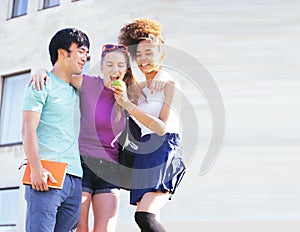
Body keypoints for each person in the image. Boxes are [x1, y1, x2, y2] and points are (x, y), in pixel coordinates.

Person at [29, 43, 143, 232]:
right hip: (81, 165)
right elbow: (59, 74)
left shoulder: (131, 96)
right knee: (80, 228)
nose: (115, 70)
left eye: (120, 65)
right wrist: (42, 72)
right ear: (102, 67)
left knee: (105, 229)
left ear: (126, 69)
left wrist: (125, 101)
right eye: (110, 65)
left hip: (110, 169)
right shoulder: (88, 83)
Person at [116, 18, 186, 232]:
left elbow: (161, 127)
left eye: (149, 53)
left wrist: (127, 104)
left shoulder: (169, 83)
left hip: (164, 147)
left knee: (145, 216)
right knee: (143, 221)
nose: (143, 59)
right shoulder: (137, 89)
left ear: (161, 54)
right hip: (144, 152)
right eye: (138, 54)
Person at [22, 28, 90, 232]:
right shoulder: (41, 84)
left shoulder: (79, 91)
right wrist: (36, 168)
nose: (85, 58)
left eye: (87, 54)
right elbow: (27, 129)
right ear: (63, 52)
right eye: (81, 51)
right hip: (46, 174)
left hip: (75, 179)